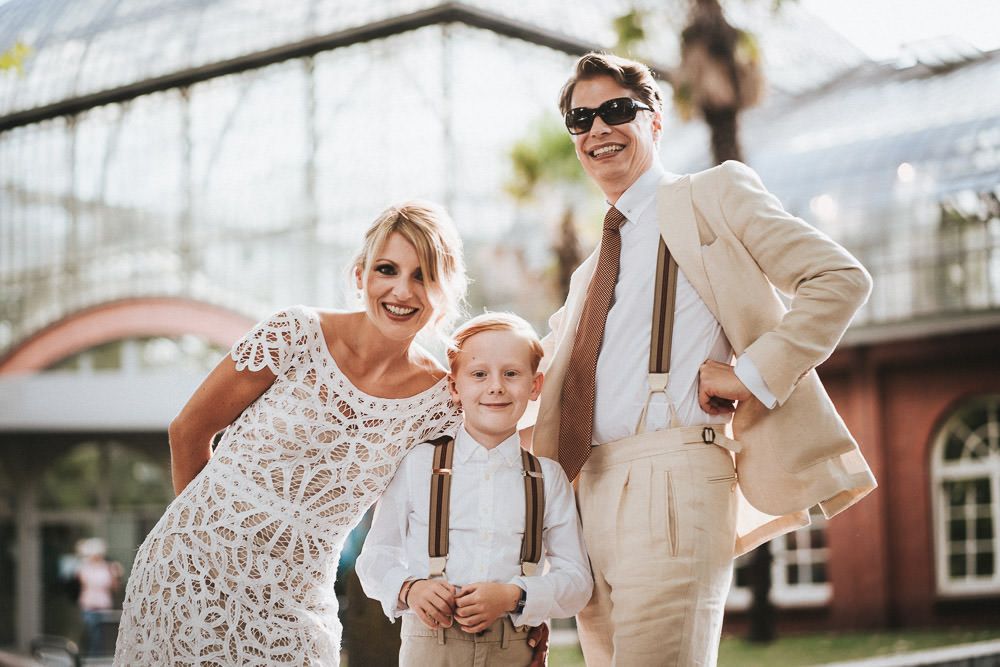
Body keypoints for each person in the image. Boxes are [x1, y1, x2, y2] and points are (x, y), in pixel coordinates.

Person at [527, 52, 878, 666]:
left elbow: (838, 278)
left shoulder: (711, 194)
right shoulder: (591, 270)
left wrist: (750, 374)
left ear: (654, 120)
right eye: (581, 120)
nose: (598, 130)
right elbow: (536, 378)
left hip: (672, 475)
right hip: (588, 489)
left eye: (616, 110)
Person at [113, 201, 469, 666]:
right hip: (189, 574)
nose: (402, 290)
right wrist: (207, 547)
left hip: (296, 608)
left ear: (445, 289)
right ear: (360, 275)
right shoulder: (297, 332)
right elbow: (188, 431)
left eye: (423, 275)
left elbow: (479, 477)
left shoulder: (442, 402)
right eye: (388, 269)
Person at [356, 313, 592, 666]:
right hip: (429, 646)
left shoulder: (549, 478)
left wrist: (515, 595)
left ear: (535, 385)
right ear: (455, 387)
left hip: (513, 647)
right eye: (479, 374)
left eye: (511, 373)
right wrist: (411, 588)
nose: (496, 386)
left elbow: (577, 581)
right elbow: (375, 558)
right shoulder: (418, 465)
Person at [75, 537, 122, 656]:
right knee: (91, 634)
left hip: (103, 605)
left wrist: (115, 575)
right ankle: (90, 656)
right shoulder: (84, 568)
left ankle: (96, 656)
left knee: (100, 636)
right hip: (89, 605)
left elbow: (115, 588)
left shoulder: (108, 567)